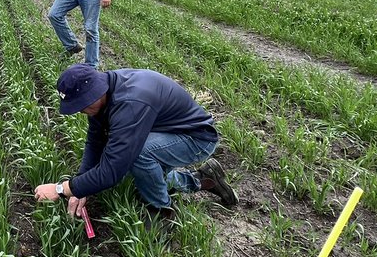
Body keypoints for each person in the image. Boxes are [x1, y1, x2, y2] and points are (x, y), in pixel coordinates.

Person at [34, 63, 237, 220]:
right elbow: (95, 142)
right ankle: (204, 178)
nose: (80, 110)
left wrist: (62, 189)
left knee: (137, 155)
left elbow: (111, 172)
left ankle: (161, 211)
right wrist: (80, 186)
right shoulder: (103, 93)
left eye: (82, 105)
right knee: (145, 174)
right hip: (165, 132)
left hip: (196, 138)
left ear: (95, 91)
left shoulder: (130, 103)